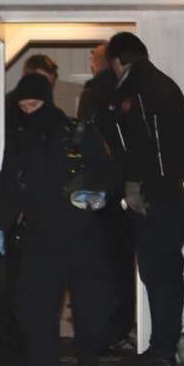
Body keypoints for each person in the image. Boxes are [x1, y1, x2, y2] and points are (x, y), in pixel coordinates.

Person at [0, 71, 120, 366]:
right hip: (40, 241)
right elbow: (9, 187)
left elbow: (108, 174)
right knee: (36, 319)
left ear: (47, 102)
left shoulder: (78, 133)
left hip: (82, 237)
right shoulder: (20, 140)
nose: (29, 111)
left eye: (35, 104)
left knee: (92, 310)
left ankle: (88, 358)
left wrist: (97, 195)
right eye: (23, 106)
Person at [105, 31, 184, 366]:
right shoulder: (166, 85)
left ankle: (162, 350)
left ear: (118, 61)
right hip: (182, 191)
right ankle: (163, 346)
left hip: (159, 195)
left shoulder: (134, 90)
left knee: (157, 270)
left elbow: (136, 144)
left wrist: (134, 185)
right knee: (166, 267)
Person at [77, 41, 136, 350]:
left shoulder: (93, 94)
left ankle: (100, 332)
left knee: (98, 265)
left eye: (93, 59)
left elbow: (84, 142)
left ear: (99, 62)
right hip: (125, 192)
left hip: (100, 193)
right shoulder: (127, 92)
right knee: (123, 264)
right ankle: (121, 328)